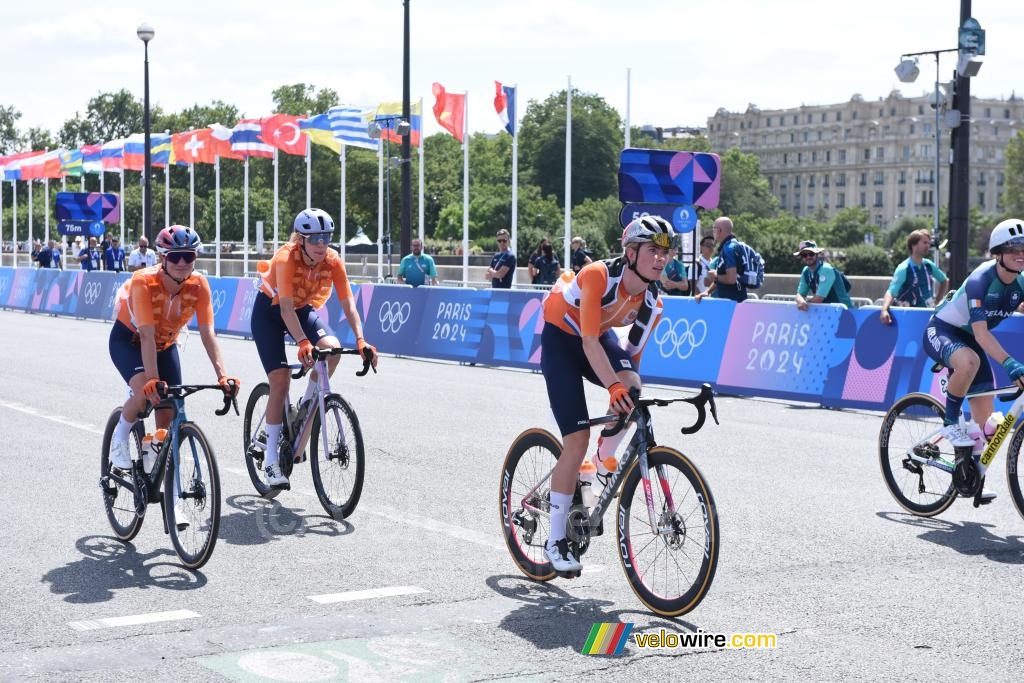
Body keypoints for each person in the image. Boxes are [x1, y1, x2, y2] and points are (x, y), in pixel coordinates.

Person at [539, 215, 668, 572]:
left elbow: (632, 359)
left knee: (633, 388)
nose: (661, 258)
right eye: (653, 251)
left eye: (665, 253)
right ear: (630, 252)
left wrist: (625, 396)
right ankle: (555, 541)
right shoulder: (598, 275)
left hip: (595, 339)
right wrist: (611, 387)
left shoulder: (654, 302)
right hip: (562, 338)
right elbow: (589, 340)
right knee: (576, 438)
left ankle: (599, 464)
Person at [251, 208, 379, 489]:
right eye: (315, 239)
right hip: (270, 313)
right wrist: (303, 342)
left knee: (332, 349)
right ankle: (271, 459)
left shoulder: (333, 261)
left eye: (327, 237)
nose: (322, 244)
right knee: (281, 380)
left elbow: (349, 304)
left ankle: (303, 405)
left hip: (301, 309)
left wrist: (360, 339)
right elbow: (285, 309)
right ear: (300, 239)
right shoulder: (286, 258)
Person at [107, 225, 239, 472]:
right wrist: (153, 380)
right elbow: (146, 334)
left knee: (168, 410)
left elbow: (208, 333)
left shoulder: (199, 285)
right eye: (175, 256)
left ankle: (150, 457)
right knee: (144, 394)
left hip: (165, 345)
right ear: (162, 258)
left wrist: (222, 375)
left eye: (188, 256)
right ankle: (120, 437)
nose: (182, 262)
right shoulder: (143, 281)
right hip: (129, 342)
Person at [923, 219, 1024, 502]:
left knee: (987, 423)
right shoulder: (981, 280)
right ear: (997, 253)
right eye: (1014, 247)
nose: (1021, 254)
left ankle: (972, 478)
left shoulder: (1020, 282)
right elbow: (980, 334)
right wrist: (1010, 363)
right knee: (968, 362)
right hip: (943, 331)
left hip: (970, 340)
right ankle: (950, 419)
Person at [880, 229, 949, 324]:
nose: (928, 246)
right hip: (909, 317)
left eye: (929, 243)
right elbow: (891, 292)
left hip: (927, 315)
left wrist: (937, 301)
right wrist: (884, 310)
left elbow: (944, 280)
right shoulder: (904, 268)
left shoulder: (928, 265)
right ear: (913, 245)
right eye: (924, 242)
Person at [694, 217, 747, 302]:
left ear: (719, 230)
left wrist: (716, 275)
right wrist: (707, 291)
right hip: (733, 300)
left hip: (732, 303)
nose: (713, 232)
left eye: (714, 229)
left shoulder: (729, 249)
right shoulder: (733, 245)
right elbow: (723, 276)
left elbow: (731, 279)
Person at [794, 240, 853, 310]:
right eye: (804, 255)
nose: (808, 257)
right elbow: (800, 294)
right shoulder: (806, 271)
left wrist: (805, 303)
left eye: (811, 254)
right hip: (827, 313)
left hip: (845, 313)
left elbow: (818, 299)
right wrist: (800, 301)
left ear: (817, 254)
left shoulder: (826, 269)